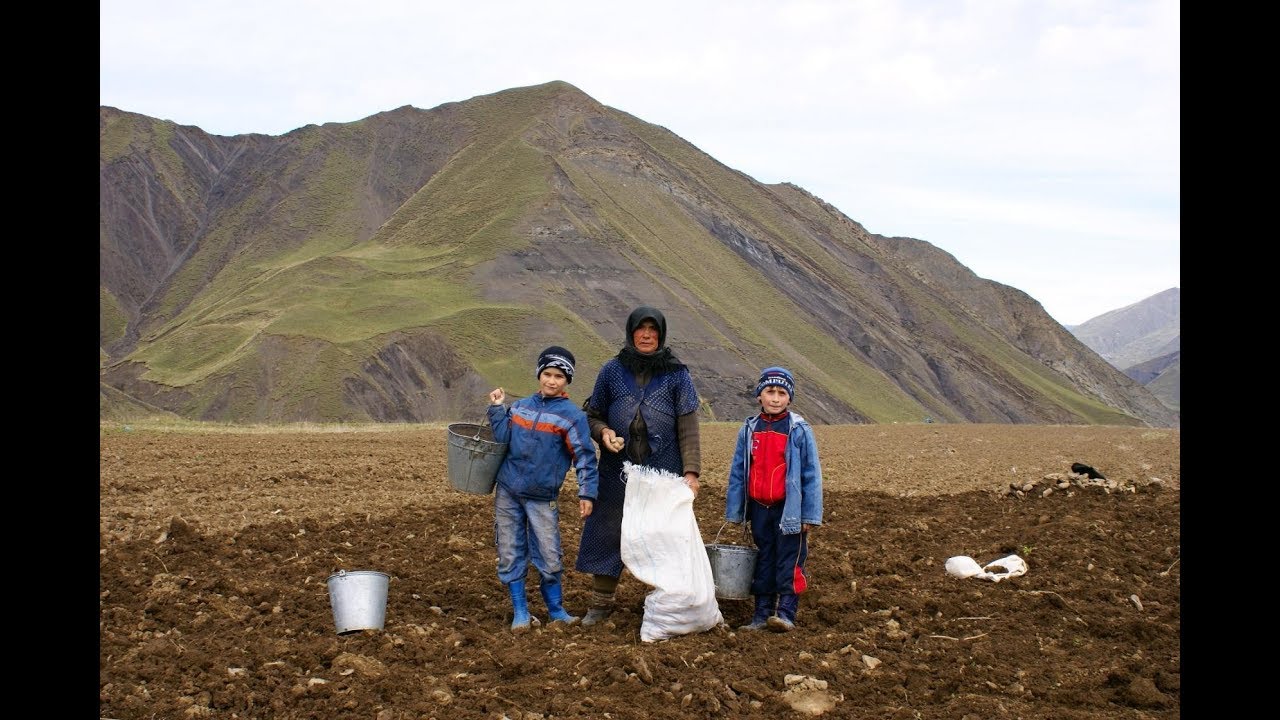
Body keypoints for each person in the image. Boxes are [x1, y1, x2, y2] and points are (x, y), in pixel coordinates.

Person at [575, 306, 703, 626]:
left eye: (652, 329)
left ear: (661, 334)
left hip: (663, 470)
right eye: (640, 329)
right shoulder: (612, 371)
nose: (646, 335)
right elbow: (592, 414)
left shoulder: (677, 374)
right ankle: (600, 604)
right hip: (617, 469)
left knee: (663, 535)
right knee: (608, 531)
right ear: (631, 332)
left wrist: (691, 473)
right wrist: (603, 433)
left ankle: (668, 605)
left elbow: (688, 426)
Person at [487, 346, 599, 633]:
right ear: (539, 374)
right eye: (547, 374)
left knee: (549, 555)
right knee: (510, 550)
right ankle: (521, 612)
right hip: (509, 491)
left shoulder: (572, 416)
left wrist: (587, 492)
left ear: (567, 380)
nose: (552, 381)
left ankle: (556, 610)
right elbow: (502, 438)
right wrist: (498, 408)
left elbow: (584, 456)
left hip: (542, 496)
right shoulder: (521, 406)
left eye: (559, 376)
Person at [724, 366, 824, 632]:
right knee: (764, 559)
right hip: (759, 508)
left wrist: (809, 515)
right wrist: (736, 510)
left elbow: (811, 474)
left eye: (781, 393)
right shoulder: (749, 429)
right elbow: (738, 470)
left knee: (789, 560)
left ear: (789, 398)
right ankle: (761, 614)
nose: (776, 398)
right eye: (770, 392)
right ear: (759, 395)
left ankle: (786, 614)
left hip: (788, 509)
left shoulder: (798, 430)